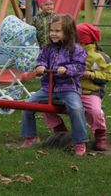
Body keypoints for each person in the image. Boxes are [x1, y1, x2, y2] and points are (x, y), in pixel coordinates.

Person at [20, 14, 88, 156]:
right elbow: (42, 60)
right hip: (48, 88)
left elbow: (80, 67)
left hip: (68, 88)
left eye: (57, 31)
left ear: (68, 32)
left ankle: (80, 141)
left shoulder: (76, 50)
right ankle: (31, 137)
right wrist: (40, 67)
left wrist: (67, 69)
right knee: (27, 105)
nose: (53, 33)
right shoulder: (47, 48)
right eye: (51, 30)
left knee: (76, 108)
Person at [44, 23, 111, 151]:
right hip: (66, 90)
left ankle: (100, 135)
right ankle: (60, 131)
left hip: (89, 92)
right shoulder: (65, 52)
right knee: (45, 104)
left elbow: (109, 75)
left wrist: (92, 75)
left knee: (95, 111)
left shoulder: (98, 57)